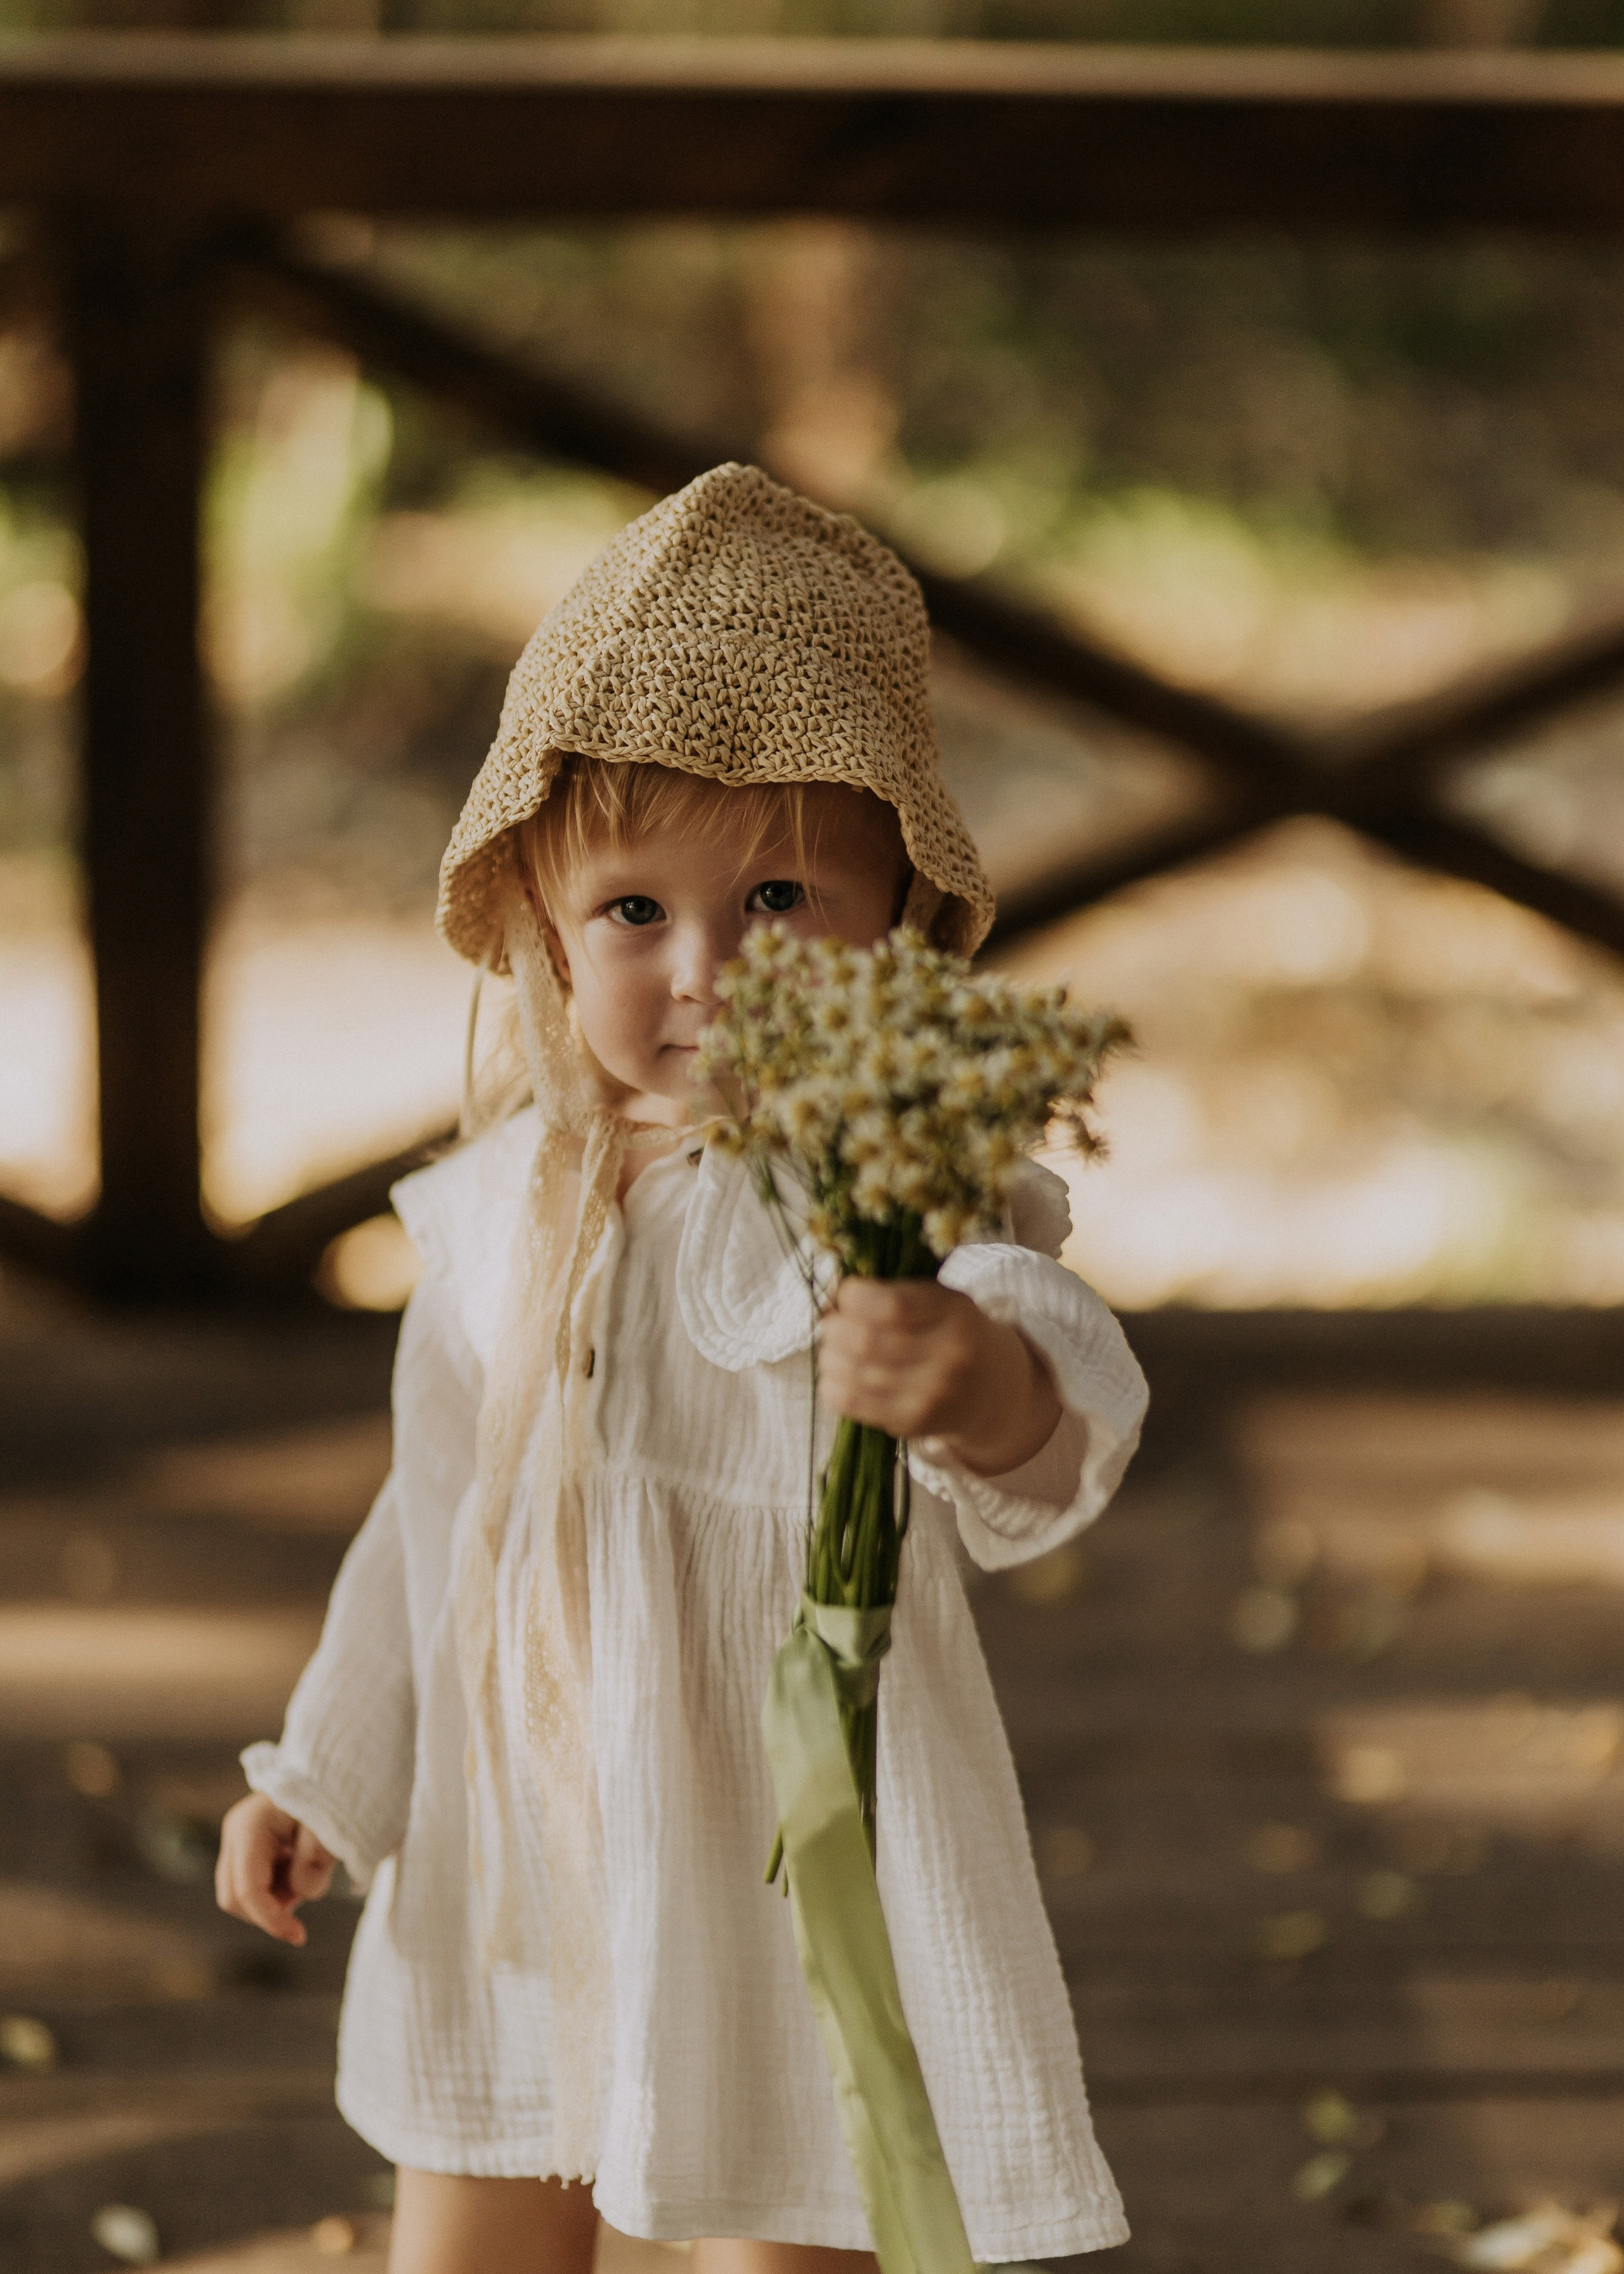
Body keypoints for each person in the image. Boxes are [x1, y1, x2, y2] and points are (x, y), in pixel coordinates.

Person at [216, 464, 1148, 2274]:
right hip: (514, 1849)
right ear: (545, 933)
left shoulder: (897, 1184)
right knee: (477, 2208)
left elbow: (1056, 1409)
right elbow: (427, 1527)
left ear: (897, 921)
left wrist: (969, 1377)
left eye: (782, 895)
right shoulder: (502, 1219)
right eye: (634, 911)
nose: (705, 965)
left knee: (784, 2205)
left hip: (777, 1842)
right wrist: (327, 1768)